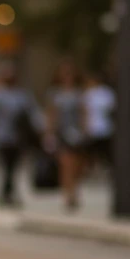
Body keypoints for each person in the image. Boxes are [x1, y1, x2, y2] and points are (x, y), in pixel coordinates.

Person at [0, 61, 42, 208]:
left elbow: (33, 113)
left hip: (18, 136)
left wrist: (40, 128)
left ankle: (6, 193)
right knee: (7, 165)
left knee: (14, 165)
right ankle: (7, 193)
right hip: (2, 136)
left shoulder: (22, 95)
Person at [47, 62, 87, 211]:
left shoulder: (79, 93)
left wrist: (85, 130)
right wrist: (49, 133)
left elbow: (84, 112)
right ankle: (68, 194)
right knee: (65, 164)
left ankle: (74, 189)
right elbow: (51, 114)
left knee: (77, 165)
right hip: (61, 132)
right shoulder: (55, 94)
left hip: (76, 133)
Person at [82, 70, 115, 174]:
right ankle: (92, 167)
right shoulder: (89, 93)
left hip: (104, 127)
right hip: (93, 127)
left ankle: (103, 166)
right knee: (92, 150)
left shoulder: (105, 93)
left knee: (102, 149)